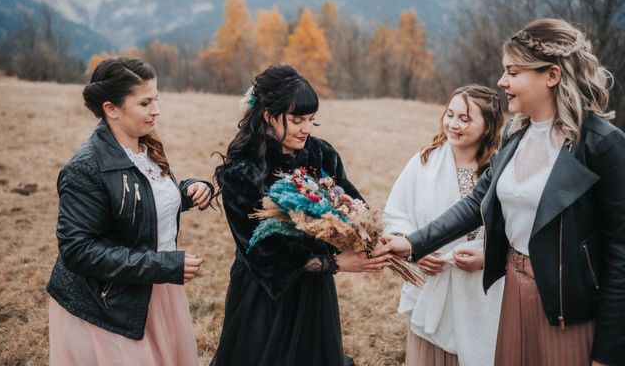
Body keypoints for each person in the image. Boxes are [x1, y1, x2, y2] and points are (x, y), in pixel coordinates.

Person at [380, 18, 625, 366]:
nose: (501, 81)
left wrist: (610, 351)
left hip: (567, 309)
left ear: (551, 76)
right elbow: (476, 203)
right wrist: (413, 243)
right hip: (511, 296)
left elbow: (620, 254)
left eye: (513, 72)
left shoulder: (602, 145)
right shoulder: (515, 135)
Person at [211, 64, 390, 366]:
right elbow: (261, 251)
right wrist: (335, 263)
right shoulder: (243, 172)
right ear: (268, 115)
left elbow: (352, 202)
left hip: (314, 292)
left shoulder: (321, 154)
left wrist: (368, 237)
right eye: (296, 120)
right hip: (265, 295)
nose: (306, 128)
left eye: (310, 119)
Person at [46, 57, 213, 365]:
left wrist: (187, 191)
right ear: (112, 108)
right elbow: (78, 251)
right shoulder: (85, 169)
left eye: (157, 99)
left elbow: (139, 199)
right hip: (107, 303)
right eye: (145, 102)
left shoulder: (147, 146)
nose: (156, 110)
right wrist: (162, 266)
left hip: (155, 290)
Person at [383, 85, 504, 366]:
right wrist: (417, 249)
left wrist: (488, 257)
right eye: (450, 114)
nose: (453, 124)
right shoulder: (424, 162)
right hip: (432, 285)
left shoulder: (498, 171)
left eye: (465, 118)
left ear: (488, 126)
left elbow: (514, 230)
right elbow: (396, 215)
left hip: (483, 296)